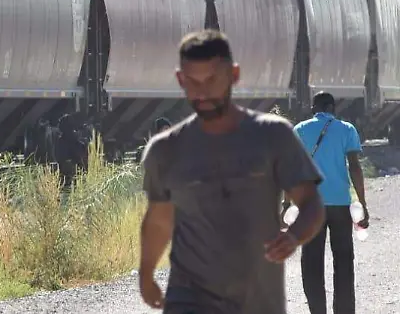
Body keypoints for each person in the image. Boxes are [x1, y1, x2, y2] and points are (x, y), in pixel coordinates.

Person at [138, 29, 325, 314]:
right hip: (188, 300)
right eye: (193, 82)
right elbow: (159, 221)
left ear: (234, 75)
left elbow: (311, 203)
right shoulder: (165, 150)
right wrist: (146, 274)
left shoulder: (273, 136)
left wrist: (294, 236)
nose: (203, 92)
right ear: (180, 80)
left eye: (212, 80)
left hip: (257, 302)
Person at [294, 91, 368, 314]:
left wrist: (287, 204)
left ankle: (318, 311)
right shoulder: (347, 129)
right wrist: (362, 203)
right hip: (341, 205)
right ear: (332, 108)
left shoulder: (300, 129)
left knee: (311, 263)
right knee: (344, 261)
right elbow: (355, 167)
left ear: (314, 108)